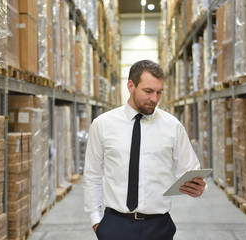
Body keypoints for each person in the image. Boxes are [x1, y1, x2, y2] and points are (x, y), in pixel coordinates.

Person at [83, 59, 206, 240]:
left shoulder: (173, 126)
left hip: (158, 226)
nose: (154, 99)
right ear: (131, 86)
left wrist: (199, 186)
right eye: (148, 91)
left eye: (159, 92)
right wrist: (96, 222)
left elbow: (191, 170)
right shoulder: (102, 124)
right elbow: (92, 175)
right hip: (115, 225)